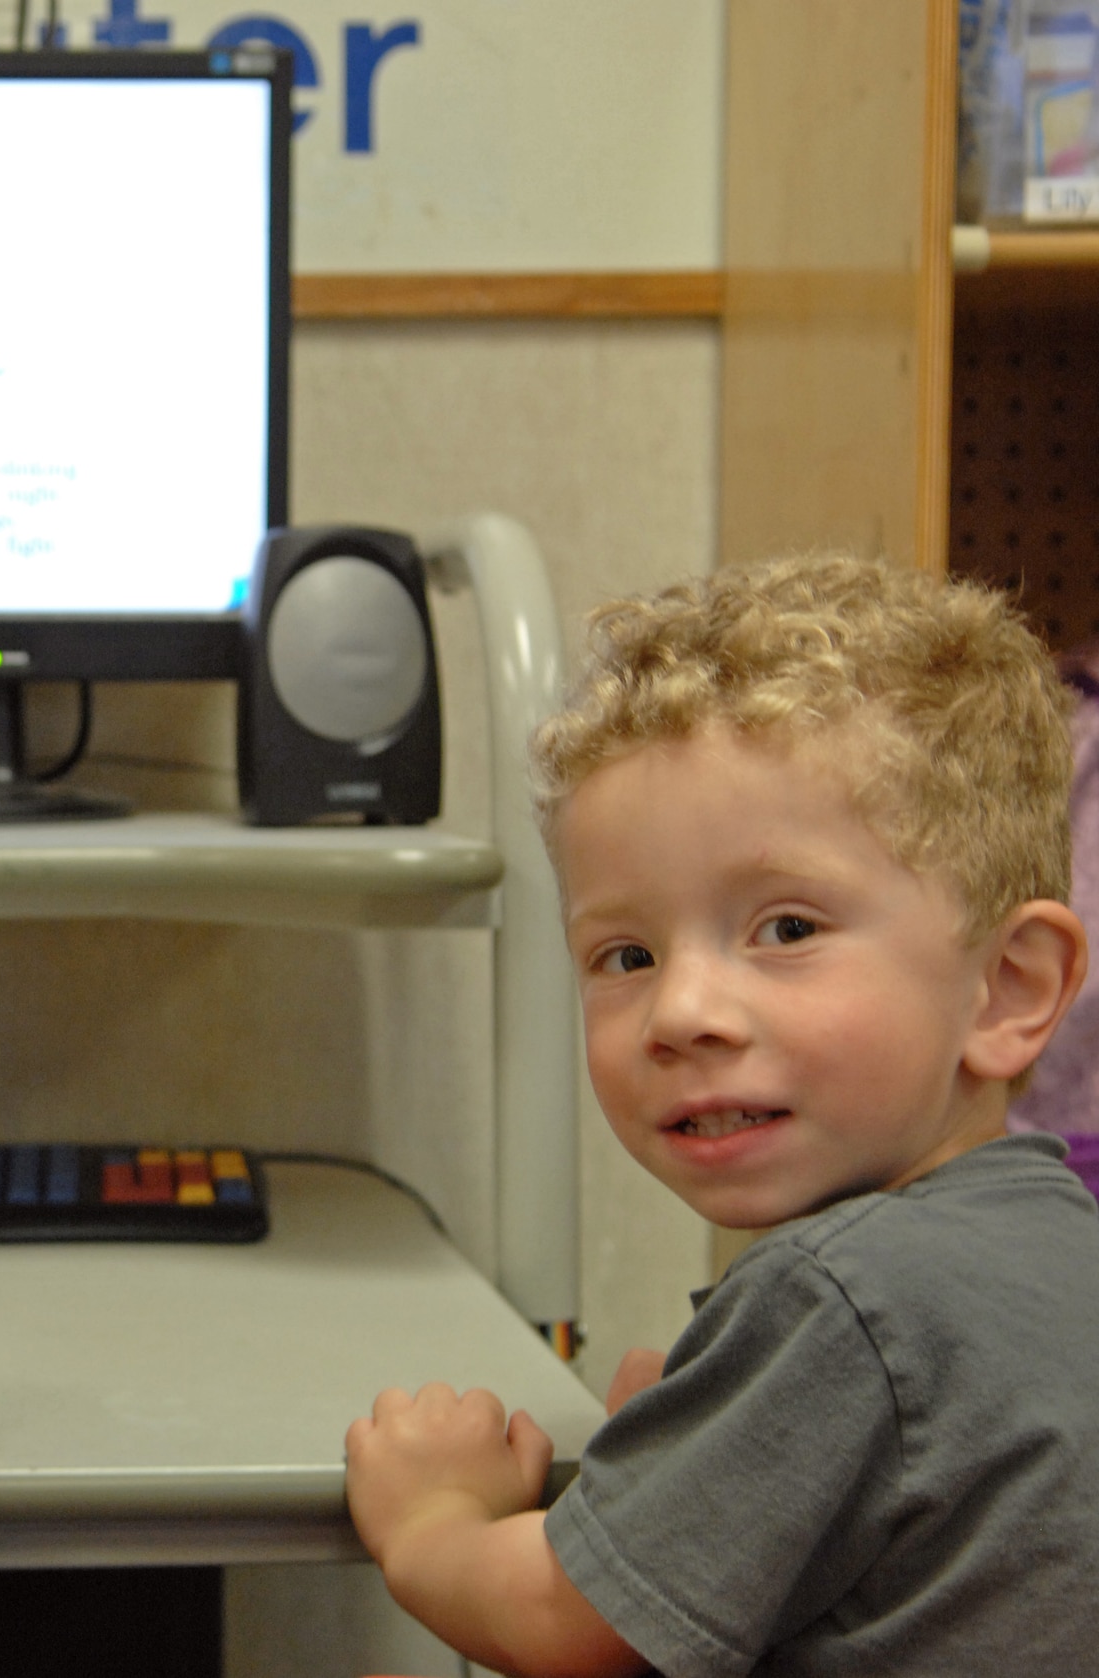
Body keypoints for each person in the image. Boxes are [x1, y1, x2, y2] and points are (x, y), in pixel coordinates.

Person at [345, 553, 1099, 1677]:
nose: (680, 1012)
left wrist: (432, 1523)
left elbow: (566, 1622)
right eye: (625, 954)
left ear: (1006, 987)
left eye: (785, 929)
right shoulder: (1052, 1240)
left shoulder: (841, 1301)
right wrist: (696, 1448)